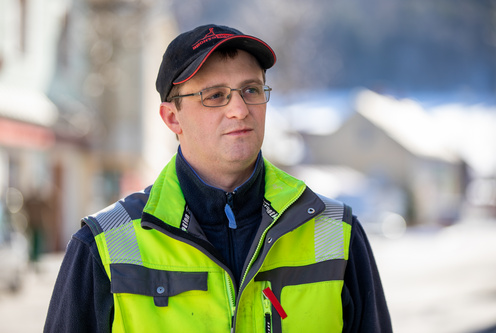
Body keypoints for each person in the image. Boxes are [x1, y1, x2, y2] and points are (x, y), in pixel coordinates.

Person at [44, 24, 392, 332]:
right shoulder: (103, 247)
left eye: (251, 90)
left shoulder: (337, 234)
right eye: (215, 96)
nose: (240, 109)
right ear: (172, 118)